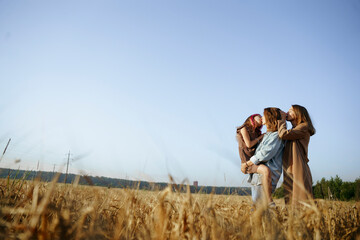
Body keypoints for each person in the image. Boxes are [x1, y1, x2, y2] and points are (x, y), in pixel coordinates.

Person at [245, 108, 284, 206]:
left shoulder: (275, 135)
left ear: (270, 118)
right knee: (257, 209)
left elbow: (265, 154)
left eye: (264, 115)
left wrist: (247, 163)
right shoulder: (267, 135)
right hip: (258, 176)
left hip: (265, 177)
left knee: (260, 209)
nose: (262, 118)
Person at [278, 105, 315, 205]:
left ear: (298, 113)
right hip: (290, 166)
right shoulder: (295, 129)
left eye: (290, 111)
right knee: (290, 199)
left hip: (298, 168)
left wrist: (281, 120)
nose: (287, 112)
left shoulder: (304, 126)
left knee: (300, 200)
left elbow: (283, 134)